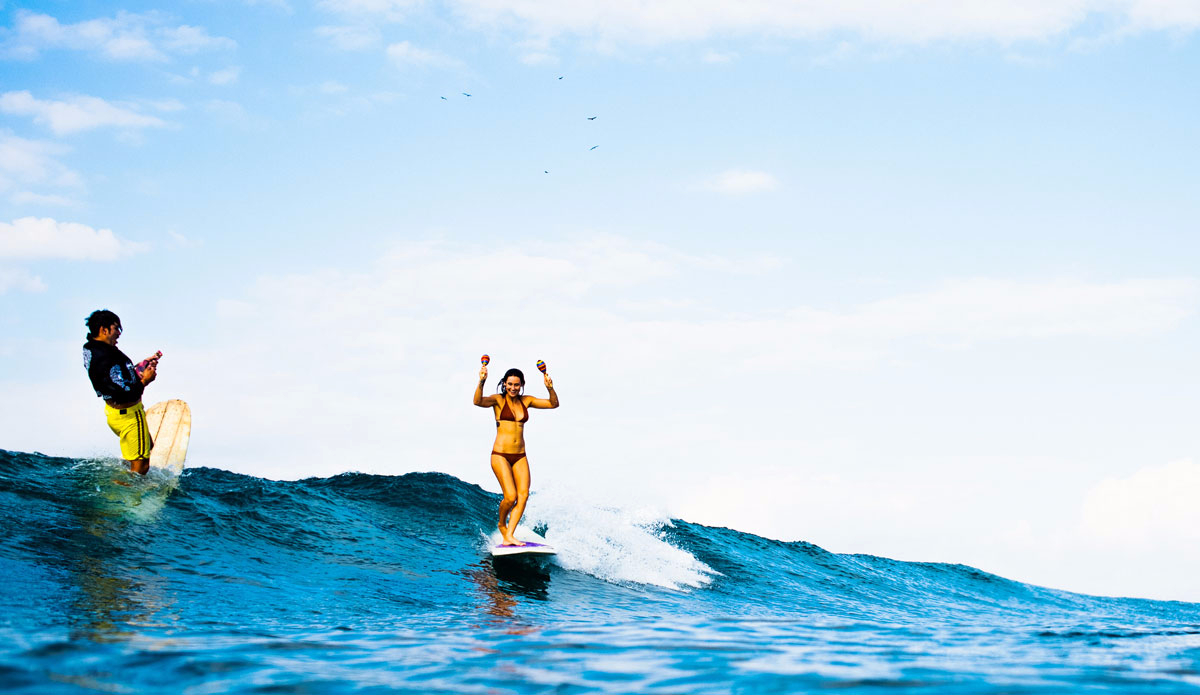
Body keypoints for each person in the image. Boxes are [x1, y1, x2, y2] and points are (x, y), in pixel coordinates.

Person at [473, 364, 558, 546]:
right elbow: (478, 401)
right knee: (510, 497)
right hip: (500, 455)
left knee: (524, 495)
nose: (513, 388)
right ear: (504, 384)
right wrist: (481, 381)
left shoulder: (526, 401)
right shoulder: (497, 400)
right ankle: (502, 524)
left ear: (521, 385)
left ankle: (509, 535)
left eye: (516, 385)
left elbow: (553, 404)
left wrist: (550, 387)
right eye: (510, 384)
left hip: (520, 456)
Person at [82, 310, 159, 475]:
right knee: (141, 469)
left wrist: (141, 367)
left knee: (147, 445)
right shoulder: (106, 359)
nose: (119, 333)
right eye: (116, 328)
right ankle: (121, 493)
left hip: (114, 413)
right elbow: (126, 394)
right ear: (104, 330)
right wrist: (145, 380)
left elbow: (117, 378)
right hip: (129, 414)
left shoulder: (94, 349)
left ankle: (129, 466)